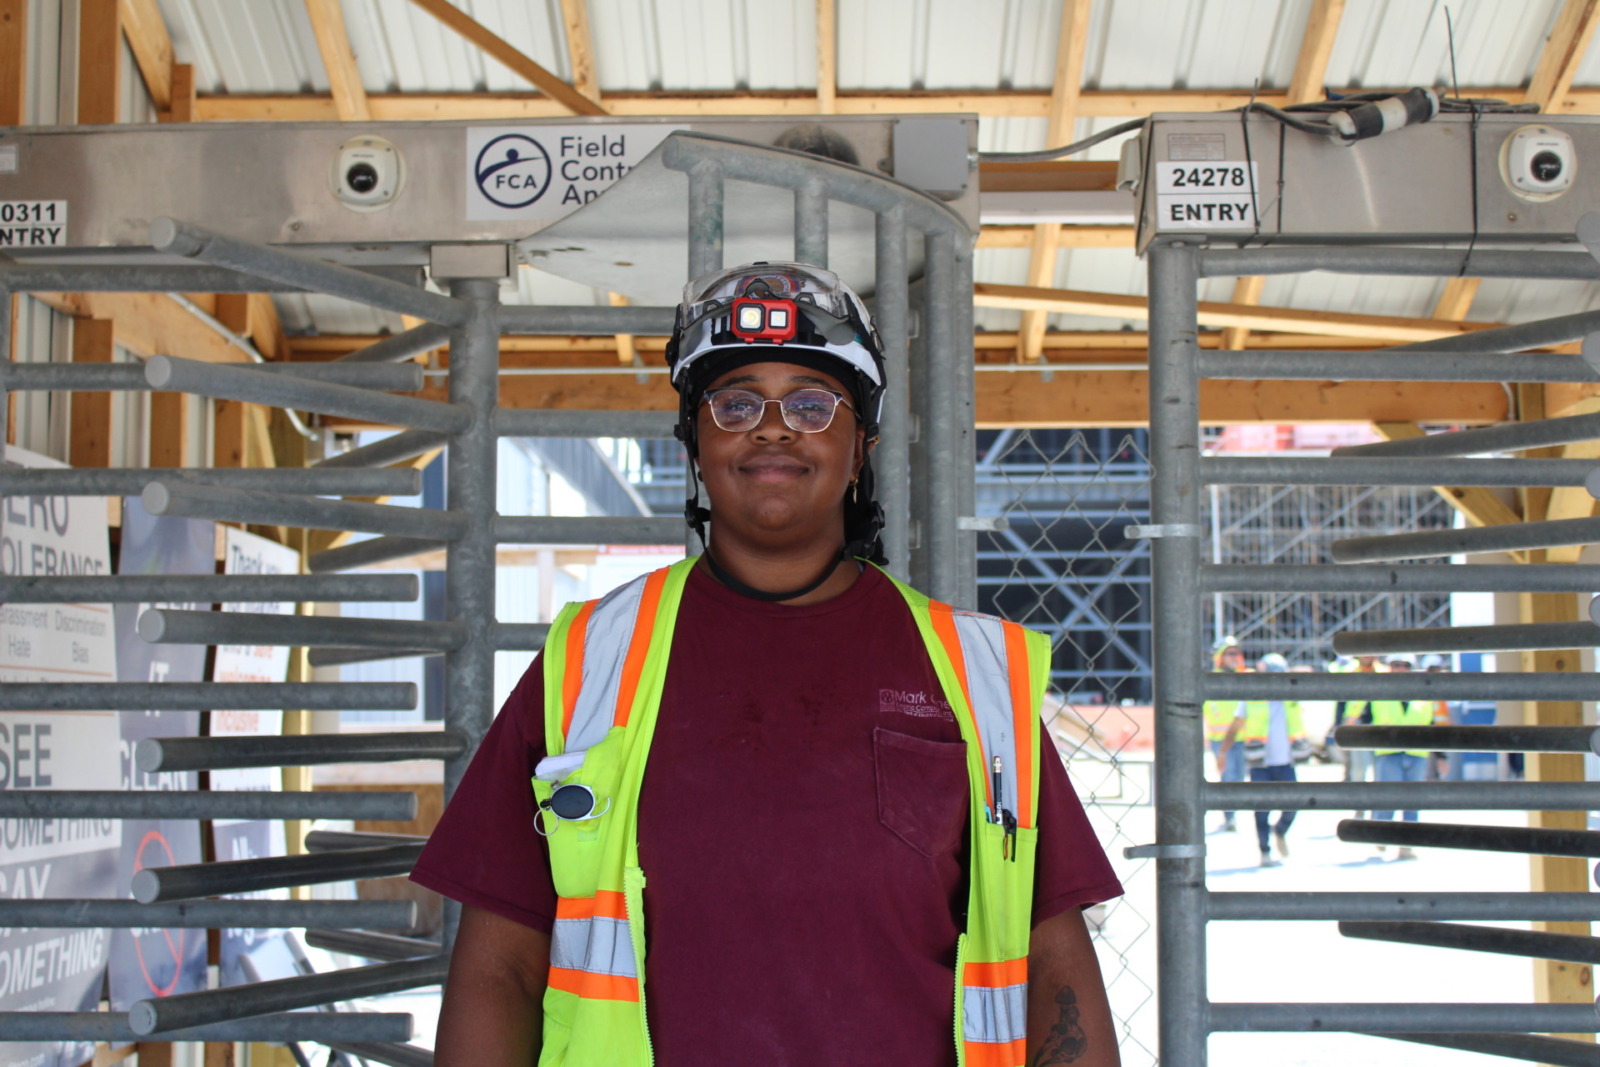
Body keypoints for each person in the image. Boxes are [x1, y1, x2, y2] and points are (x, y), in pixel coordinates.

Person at [412, 262, 1124, 1067]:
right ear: (696, 441)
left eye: (814, 404)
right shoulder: (587, 664)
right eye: (736, 402)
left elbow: (1053, 958)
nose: (774, 427)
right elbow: (499, 966)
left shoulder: (974, 675)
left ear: (862, 448)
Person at [1216, 653, 1307, 868]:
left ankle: (1280, 830)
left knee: (1293, 804)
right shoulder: (1252, 698)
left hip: (1286, 762)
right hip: (1260, 763)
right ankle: (1264, 851)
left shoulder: (1290, 698)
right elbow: (1235, 725)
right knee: (1261, 810)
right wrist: (1223, 752)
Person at [1350, 654, 1434, 860]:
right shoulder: (1379, 692)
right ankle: (1383, 835)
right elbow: (1364, 718)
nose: (1400, 669)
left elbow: (1431, 724)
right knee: (1388, 797)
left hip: (1416, 753)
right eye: (1396, 665)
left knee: (1413, 801)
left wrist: (1440, 756)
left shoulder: (1423, 694)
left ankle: (1407, 843)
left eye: (1405, 666)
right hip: (1388, 753)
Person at [1203, 637, 1248, 833]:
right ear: (1221, 657)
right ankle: (1229, 818)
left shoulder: (1242, 677)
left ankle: (1232, 815)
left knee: (1238, 778)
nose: (1234, 657)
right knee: (1228, 777)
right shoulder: (1213, 680)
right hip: (1222, 740)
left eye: (1236, 653)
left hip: (1241, 738)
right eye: (1230, 653)